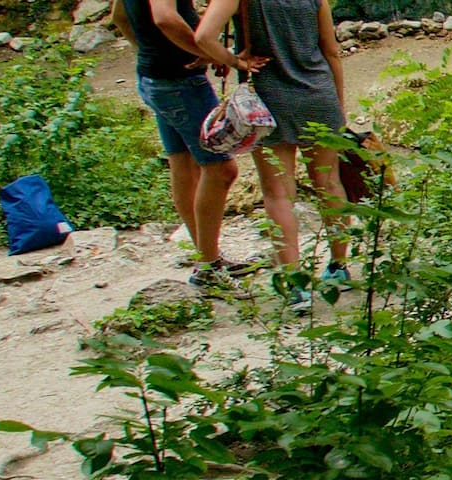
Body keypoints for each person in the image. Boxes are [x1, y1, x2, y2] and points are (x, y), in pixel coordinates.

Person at [192, 0, 349, 314]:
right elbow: (331, 51)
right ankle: (338, 266)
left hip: (269, 100)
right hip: (319, 94)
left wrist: (236, 62)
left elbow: (203, 36)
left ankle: (296, 286)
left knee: (278, 194)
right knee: (329, 182)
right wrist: (339, 105)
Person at [109, 0, 265, 289]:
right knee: (221, 169)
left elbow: (120, 17)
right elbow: (165, 18)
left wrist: (149, 52)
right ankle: (207, 266)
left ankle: (207, 257)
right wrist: (215, 54)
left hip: (154, 75)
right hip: (179, 82)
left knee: (183, 165)